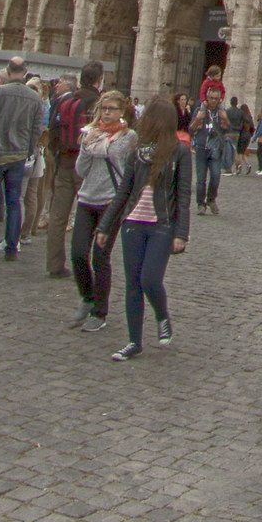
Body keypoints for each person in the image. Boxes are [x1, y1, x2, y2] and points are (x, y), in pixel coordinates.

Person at [98, 94, 192, 360]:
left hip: (161, 224)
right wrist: (104, 227)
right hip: (133, 223)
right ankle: (133, 341)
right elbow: (123, 193)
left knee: (150, 279)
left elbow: (183, 195)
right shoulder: (138, 151)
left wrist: (181, 233)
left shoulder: (179, 152)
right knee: (132, 284)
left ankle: (162, 315)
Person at [67, 91, 136, 333]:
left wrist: (100, 141)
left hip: (111, 202)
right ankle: (87, 297)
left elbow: (120, 161)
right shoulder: (89, 134)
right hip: (87, 198)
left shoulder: (128, 137)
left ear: (122, 112)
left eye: (112, 109)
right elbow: (81, 169)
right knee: (77, 253)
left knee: (100, 257)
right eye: (104, 108)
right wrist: (87, 147)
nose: (107, 113)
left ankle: (99, 311)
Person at [0, 59, 42, 261]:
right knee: (14, 201)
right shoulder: (35, 98)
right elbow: (35, 129)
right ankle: (12, 247)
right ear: (25, 72)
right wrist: (29, 150)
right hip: (19, 154)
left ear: (7, 70)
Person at [47, 65, 103, 277]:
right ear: (98, 80)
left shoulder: (66, 100)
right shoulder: (97, 104)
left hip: (64, 162)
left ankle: (54, 264)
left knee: (58, 215)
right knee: (90, 213)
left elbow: (53, 129)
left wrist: (58, 155)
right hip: (87, 165)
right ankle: (86, 262)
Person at [191, 91, 226, 216]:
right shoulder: (199, 111)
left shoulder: (220, 113)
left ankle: (211, 199)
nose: (213, 101)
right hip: (201, 148)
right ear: (207, 98)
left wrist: (225, 119)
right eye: (211, 98)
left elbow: (227, 128)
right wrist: (198, 119)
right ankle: (201, 204)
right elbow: (192, 129)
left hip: (215, 149)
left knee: (216, 175)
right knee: (201, 179)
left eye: (216, 99)